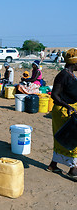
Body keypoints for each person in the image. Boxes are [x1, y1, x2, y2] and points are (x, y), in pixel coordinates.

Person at [47, 48, 77, 180]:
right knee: (70, 139)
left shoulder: (71, 75)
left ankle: (53, 165)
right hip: (63, 111)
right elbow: (54, 95)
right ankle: (73, 169)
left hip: (70, 109)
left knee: (62, 138)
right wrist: (68, 106)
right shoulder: (63, 75)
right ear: (74, 63)